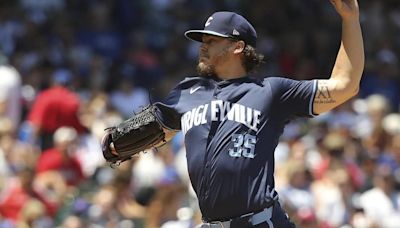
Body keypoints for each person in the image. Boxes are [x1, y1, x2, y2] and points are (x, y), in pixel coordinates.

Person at [107, 0, 364, 227]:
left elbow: (345, 85)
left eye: (211, 41)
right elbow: (155, 131)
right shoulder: (187, 92)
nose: (202, 47)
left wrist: (350, 20)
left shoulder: (270, 92)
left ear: (238, 46)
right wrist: (117, 145)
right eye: (202, 42)